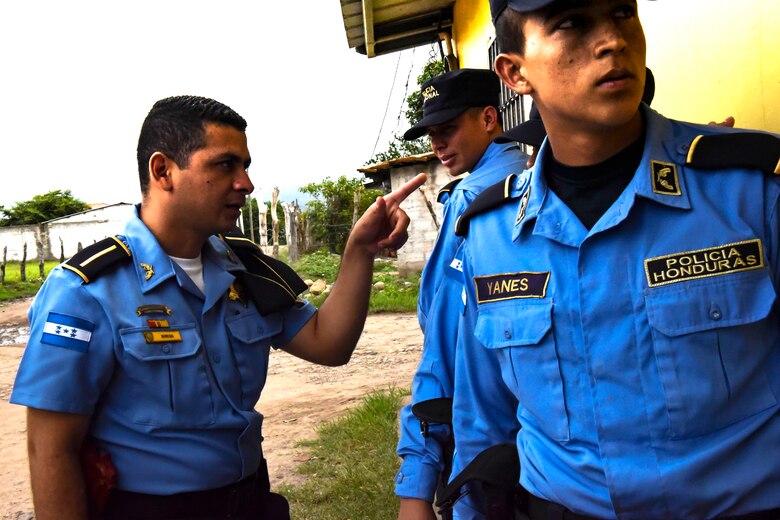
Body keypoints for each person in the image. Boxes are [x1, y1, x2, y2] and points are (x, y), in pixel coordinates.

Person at [10, 95, 426, 520]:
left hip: (250, 500)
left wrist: (359, 250)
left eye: (246, 166)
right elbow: (50, 448)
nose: (245, 182)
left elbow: (329, 344)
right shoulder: (87, 290)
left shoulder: (243, 268)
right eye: (225, 165)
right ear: (163, 171)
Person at [450, 0, 780, 518]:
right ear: (515, 72)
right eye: (571, 23)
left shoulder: (750, 191)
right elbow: (482, 416)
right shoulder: (489, 235)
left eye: (623, 12)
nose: (613, 40)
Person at [394, 68, 534, 520]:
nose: (437, 143)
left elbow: (445, 340)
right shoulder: (529, 179)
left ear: (490, 118)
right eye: (432, 133)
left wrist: (417, 478)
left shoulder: (479, 201)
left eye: (448, 129)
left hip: (486, 439)